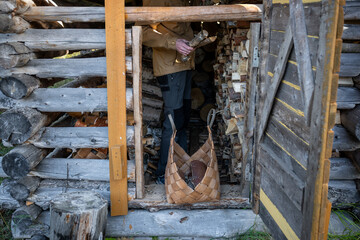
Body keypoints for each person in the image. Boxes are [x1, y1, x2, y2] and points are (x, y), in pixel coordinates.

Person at [137, 0, 195, 184]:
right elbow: (143, 32)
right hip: (169, 68)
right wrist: (172, 42)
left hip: (186, 64)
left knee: (183, 118)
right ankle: (164, 173)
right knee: (173, 121)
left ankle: (182, 169)